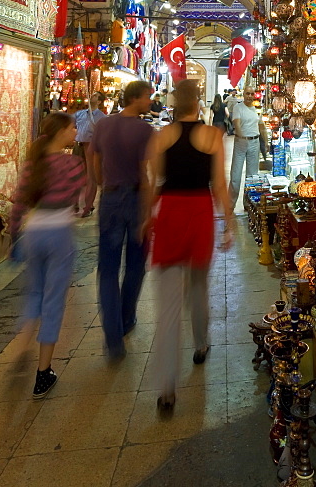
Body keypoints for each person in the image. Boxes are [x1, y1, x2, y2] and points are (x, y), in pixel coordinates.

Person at [146, 79, 234, 411]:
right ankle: (200, 344)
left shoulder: (161, 137)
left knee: (167, 307)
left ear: (174, 104)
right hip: (198, 213)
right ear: (198, 104)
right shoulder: (212, 136)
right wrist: (229, 220)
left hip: (170, 212)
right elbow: (219, 184)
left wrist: (146, 217)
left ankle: (167, 388)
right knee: (198, 285)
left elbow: (155, 183)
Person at [10, 112, 84, 398]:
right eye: (72, 128)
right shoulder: (72, 164)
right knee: (53, 301)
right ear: (62, 132)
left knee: (35, 293)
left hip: (33, 233)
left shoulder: (33, 164)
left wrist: (15, 233)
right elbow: (78, 198)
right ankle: (43, 373)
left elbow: (19, 201)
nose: (76, 132)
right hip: (59, 235)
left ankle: (21, 346)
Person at [92, 79, 154, 360]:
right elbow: (144, 172)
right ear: (136, 98)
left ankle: (112, 336)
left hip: (110, 198)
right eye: (147, 97)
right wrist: (148, 209)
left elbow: (94, 160)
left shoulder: (103, 125)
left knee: (107, 269)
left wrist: (103, 184)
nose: (150, 101)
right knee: (136, 264)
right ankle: (127, 319)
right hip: (134, 198)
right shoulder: (144, 129)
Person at [229, 86, 268, 208]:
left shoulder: (256, 109)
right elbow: (237, 124)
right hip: (241, 142)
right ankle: (230, 204)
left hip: (254, 142)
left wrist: (266, 142)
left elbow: (261, 126)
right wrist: (241, 137)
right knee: (235, 175)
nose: (250, 96)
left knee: (252, 176)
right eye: (247, 94)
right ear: (244, 94)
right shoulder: (238, 107)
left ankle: (248, 204)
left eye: (252, 94)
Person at [73, 92, 106, 217]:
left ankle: (88, 206)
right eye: (92, 94)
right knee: (75, 175)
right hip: (78, 145)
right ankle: (74, 204)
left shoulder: (102, 117)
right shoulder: (80, 114)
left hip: (91, 147)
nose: (92, 96)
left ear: (99, 102)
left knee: (91, 176)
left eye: (96, 96)